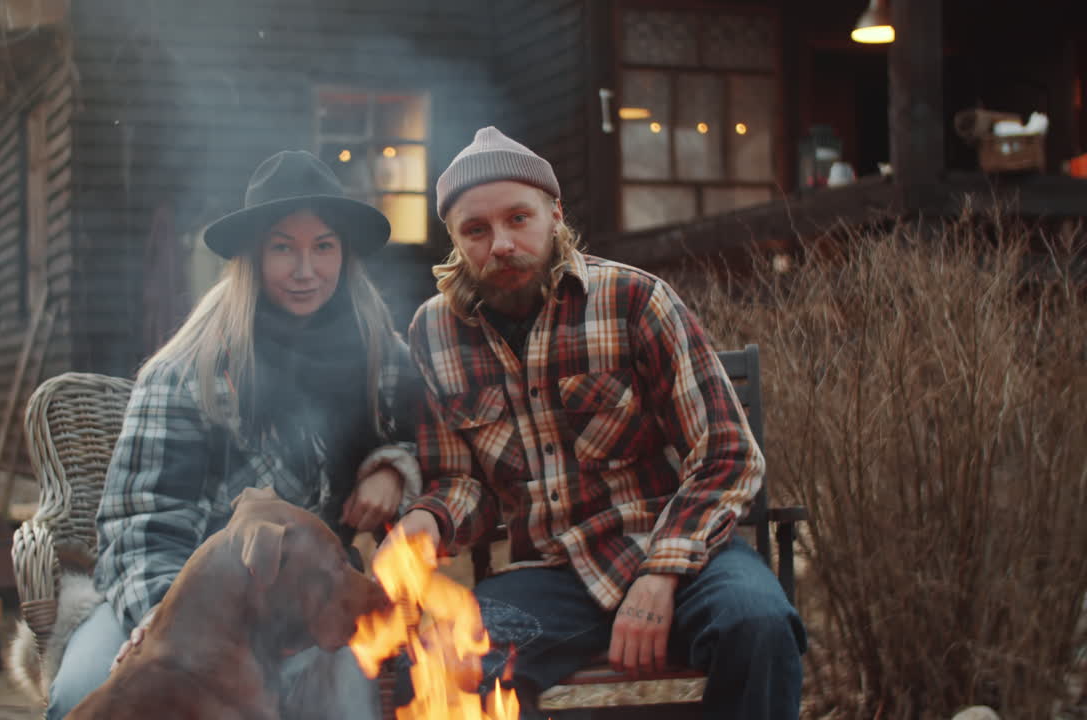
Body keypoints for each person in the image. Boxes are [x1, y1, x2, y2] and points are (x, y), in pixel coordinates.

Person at [380, 127, 806, 720]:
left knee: (759, 625)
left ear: (555, 214)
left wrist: (658, 574)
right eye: (476, 229)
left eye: (518, 218)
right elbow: (462, 485)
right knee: (437, 663)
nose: (501, 243)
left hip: (681, 554)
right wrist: (429, 519)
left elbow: (726, 455)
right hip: (551, 574)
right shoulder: (434, 332)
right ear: (453, 238)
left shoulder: (634, 299)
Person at [45, 150, 423, 720]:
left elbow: (430, 439)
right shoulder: (186, 371)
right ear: (251, 256)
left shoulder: (378, 355)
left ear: (344, 254)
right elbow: (138, 523)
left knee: (348, 706)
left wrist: (394, 467)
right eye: (282, 247)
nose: (306, 269)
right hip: (178, 597)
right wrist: (164, 627)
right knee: (82, 694)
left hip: (307, 602)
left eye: (323, 246)